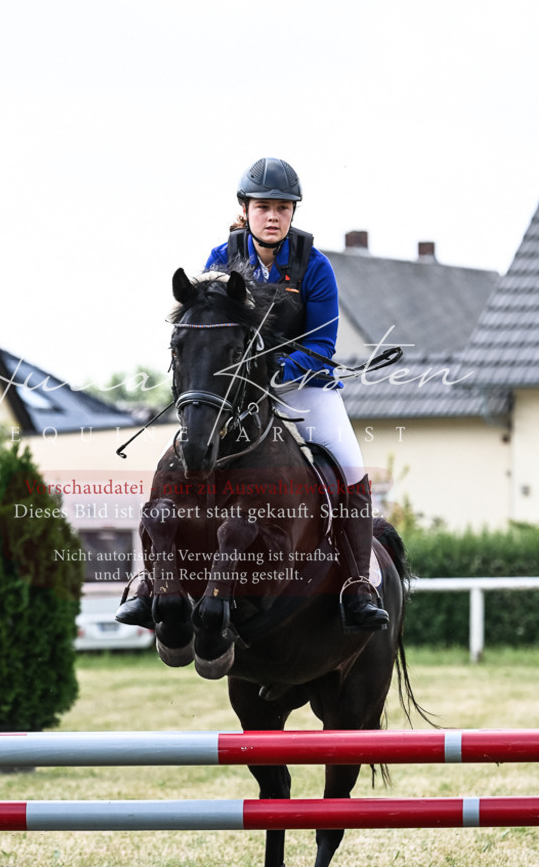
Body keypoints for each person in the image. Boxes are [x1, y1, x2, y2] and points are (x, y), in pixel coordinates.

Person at [117, 157, 388, 633]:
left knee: (351, 466)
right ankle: (147, 578)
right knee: (173, 462)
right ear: (245, 210)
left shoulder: (315, 266)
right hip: (235, 394)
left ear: (292, 214)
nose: (273, 216)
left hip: (302, 389)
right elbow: (203, 324)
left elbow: (323, 343)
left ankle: (358, 583)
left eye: (282, 208)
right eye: (263, 206)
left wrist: (278, 370)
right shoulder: (219, 260)